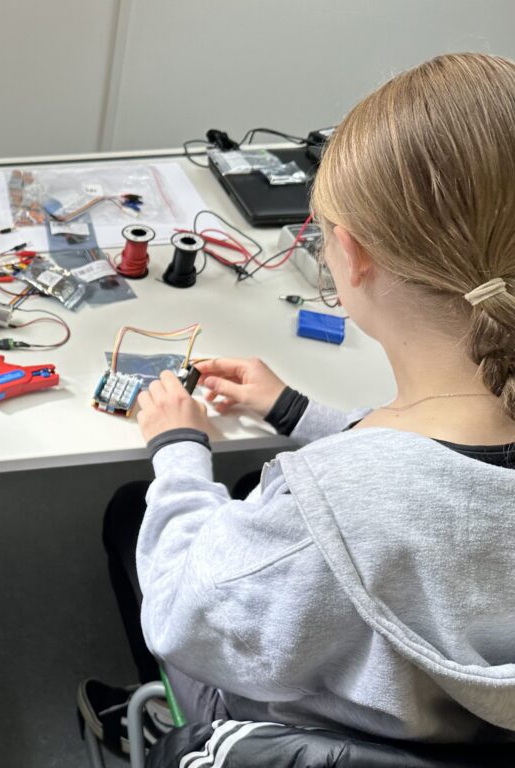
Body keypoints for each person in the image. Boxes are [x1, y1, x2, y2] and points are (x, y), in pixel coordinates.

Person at [81, 52, 515, 753]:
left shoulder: (333, 505)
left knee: (134, 510)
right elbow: (447, 479)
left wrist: (180, 452)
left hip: (290, 728)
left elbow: (180, 612)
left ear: (352, 254)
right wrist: (294, 412)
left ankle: (176, 722)